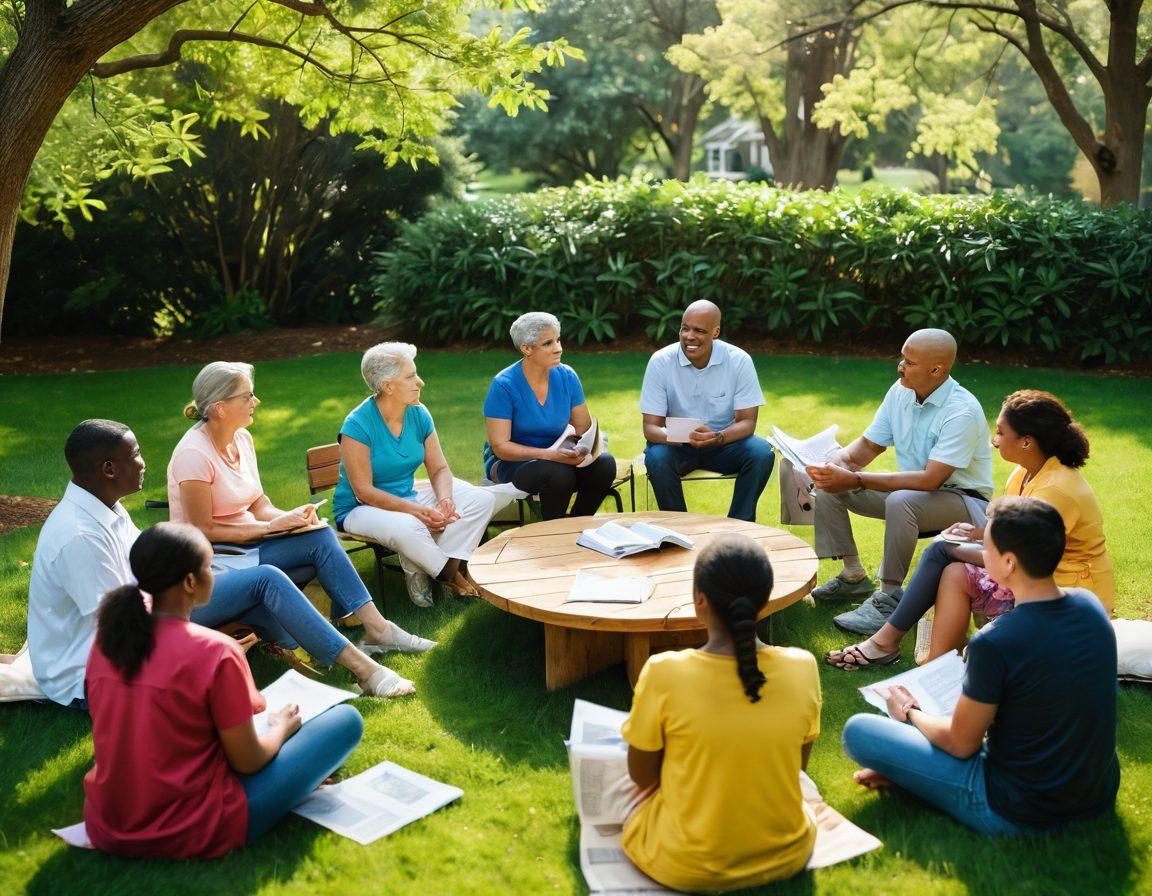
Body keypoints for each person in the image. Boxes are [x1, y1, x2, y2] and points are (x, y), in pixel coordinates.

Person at [841, 496, 1120, 836]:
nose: (982, 558)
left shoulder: (995, 642)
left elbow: (962, 744)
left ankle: (914, 773)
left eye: (986, 549)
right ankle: (912, 772)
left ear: (1009, 562)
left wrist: (909, 711)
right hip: (1096, 793)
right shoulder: (1089, 605)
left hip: (1017, 810)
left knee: (859, 731)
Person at [83, 522, 364, 858]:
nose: (214, 574)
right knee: (346, 721)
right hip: (194, 825)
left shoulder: (107, 641)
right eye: (209, 566)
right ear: (191, 582)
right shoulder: (215, 651)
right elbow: (249, 761)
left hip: (110, 823)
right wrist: (280, 729)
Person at [169, 361, 432, 700]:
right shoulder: (193, 454)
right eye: (247, 396)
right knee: (274, 574)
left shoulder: (242, 439)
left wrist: (289, 518)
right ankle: (353, 661)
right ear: (219, 408)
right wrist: (269, 529)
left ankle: (378, 629)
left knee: (319, 536)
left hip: (246, 548)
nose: (256, 401)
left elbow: (257, 501)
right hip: (213, 564)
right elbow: (200, 529)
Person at [829, 390, 1114, 667]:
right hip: (1032, 573)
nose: (994, 441)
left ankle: (885, 642)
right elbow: (1013, 533)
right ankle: (938, 665)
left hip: (1064, 593)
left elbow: (1024, 558)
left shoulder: (1057, 490)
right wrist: (975, 534)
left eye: (1001, 433)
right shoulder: (1023, 474)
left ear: (1027, 442)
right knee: (954, 570)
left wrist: (953, 549)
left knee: (943, 553)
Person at [621, 533, 821, 891]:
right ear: (764, 605)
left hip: (683, 865)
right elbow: (798, 770)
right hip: (786, 854)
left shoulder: (664, 671)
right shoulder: (803, 667)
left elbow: (641, 777)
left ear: (699, 601)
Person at [806, 328, 993, 614]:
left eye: (909, 362)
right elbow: (868, 446)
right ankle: (853, 575)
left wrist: (855, 478)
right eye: (902, 358)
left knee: (900, 500)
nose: (900, 367)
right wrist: (834, 463)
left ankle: (889, 597)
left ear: (936, 369)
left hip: (964, 501)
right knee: (830, 483)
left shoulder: (961, 411)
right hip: (916, 493)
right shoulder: (901, 391)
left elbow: (932, 480)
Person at [335, 343, 497, 606]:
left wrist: (445, 499)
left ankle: (424, 565)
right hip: (359, 508)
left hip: (406, 495)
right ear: (388, 386)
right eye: (410, 377)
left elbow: (439, 468)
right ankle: (452, 577)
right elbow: (363, 491)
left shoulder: (419, 413)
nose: (420, 382)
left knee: (482, 500)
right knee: (410, 524)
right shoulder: (357, 425)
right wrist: (417, 511)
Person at [27, 420, 146, 708]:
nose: (143, 464)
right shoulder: (79, 536)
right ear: (109, 469)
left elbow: (148, 563)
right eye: (135, 455)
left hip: (136, 623)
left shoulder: (106, 506)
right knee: (200, 674)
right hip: (87, 671)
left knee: (259, 581)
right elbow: (119, 626)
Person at [639, 300, 775, 522]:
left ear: (715, 332)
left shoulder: (739, 361)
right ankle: (678, 528)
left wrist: (718, 438)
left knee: (761, 452)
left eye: (699, 331)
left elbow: (747, 422)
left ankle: (739, 526)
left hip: (724, 444)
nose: (689, 336)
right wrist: (681, 437)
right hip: (677, 446)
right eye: (685, 328)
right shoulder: (660, 361)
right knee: (656, 457)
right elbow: (650, 428)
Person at [483, 312, 617, 520]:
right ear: (526, 349)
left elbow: (584, 429)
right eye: (548, 343)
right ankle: (551, 531)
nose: (558, 348)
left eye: (558, 340)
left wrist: (581, 449)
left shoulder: (567, 376)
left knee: (605, 464)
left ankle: (575, 524)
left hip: (560, 458)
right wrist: (550, 455)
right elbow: (502, 448)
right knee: (557, 474)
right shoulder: (503, 385)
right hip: (515, 463)